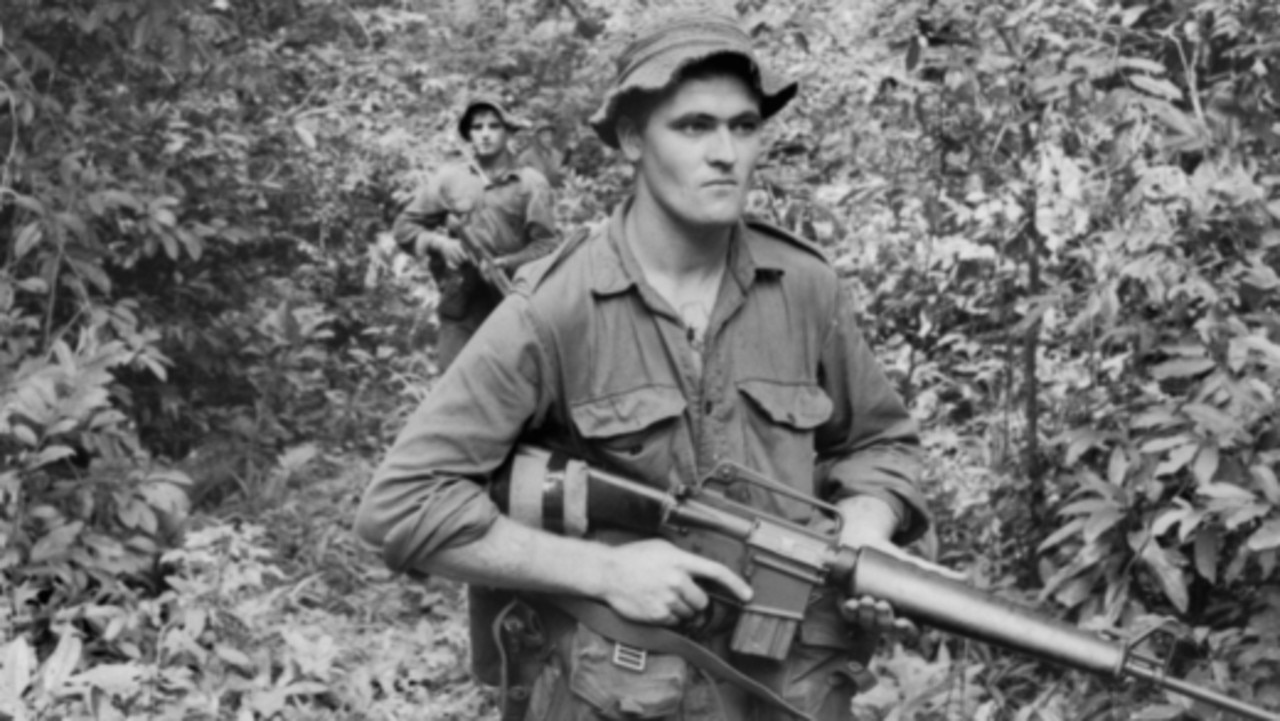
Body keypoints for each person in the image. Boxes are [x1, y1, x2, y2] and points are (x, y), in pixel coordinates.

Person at [358, 13, 941, 720]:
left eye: (745, 126)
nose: (726, 152)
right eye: (694, 126)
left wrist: (864, 524)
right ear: (633, 139)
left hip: (787, 688)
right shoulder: (556, 306)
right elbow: (402, 505)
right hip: (614, 693)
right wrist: (605, 570)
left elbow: (877, 442)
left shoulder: (805, 286)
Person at [392, 95, 558, 370]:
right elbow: (404, 226)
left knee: (513, 394)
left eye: (493, 126)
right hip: (462, 305)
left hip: (512, 302)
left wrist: (506, 263)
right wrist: (440, 244)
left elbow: (547, 246)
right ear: (469, 134)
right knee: (453, 394)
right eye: (477, 127)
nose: (485, 134)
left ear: (508, 133)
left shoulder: (531, 184)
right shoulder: (450, 180)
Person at [517, 120, 567, 189]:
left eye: (550, 135)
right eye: (544, 136)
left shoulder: (557, 154)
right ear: (536, 138)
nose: (549, 139)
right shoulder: (525, 157)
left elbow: (563, 178)